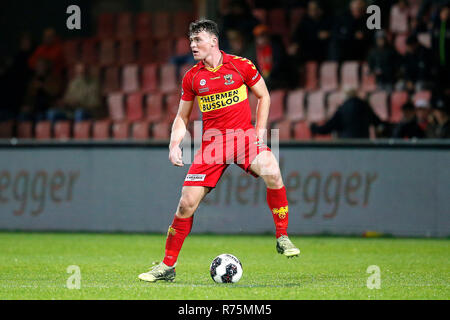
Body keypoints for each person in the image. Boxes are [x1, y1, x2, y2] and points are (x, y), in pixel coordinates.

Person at [138, 20, 300, 283]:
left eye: (197, 40)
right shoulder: (192, 77)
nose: (192, 45)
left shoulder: (241, 65)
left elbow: (264, 96)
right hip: (212, 145)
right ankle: (167, 266)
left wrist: (259, 131)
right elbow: (182, 117)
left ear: (213, 41)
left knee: (272, 170)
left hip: (244, 138)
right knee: (185, 205)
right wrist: (174, 144)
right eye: (190, 41)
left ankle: (282, 236)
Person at [310, 89, 384, 138]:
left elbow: (329, 127)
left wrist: (314, 128)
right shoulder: (365, 106)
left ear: (345, 96)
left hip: (347, 144)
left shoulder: (342, 109)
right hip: (363, 144)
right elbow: (377, 123)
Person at [253, 24, 289, 90]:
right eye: (258, 37)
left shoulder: (276, 48)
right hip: (263, 82)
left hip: (277, 81)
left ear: (267, 36)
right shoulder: (255, 51)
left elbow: (279, 65)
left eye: (263, 36)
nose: (261, 39)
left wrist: (269, 75)